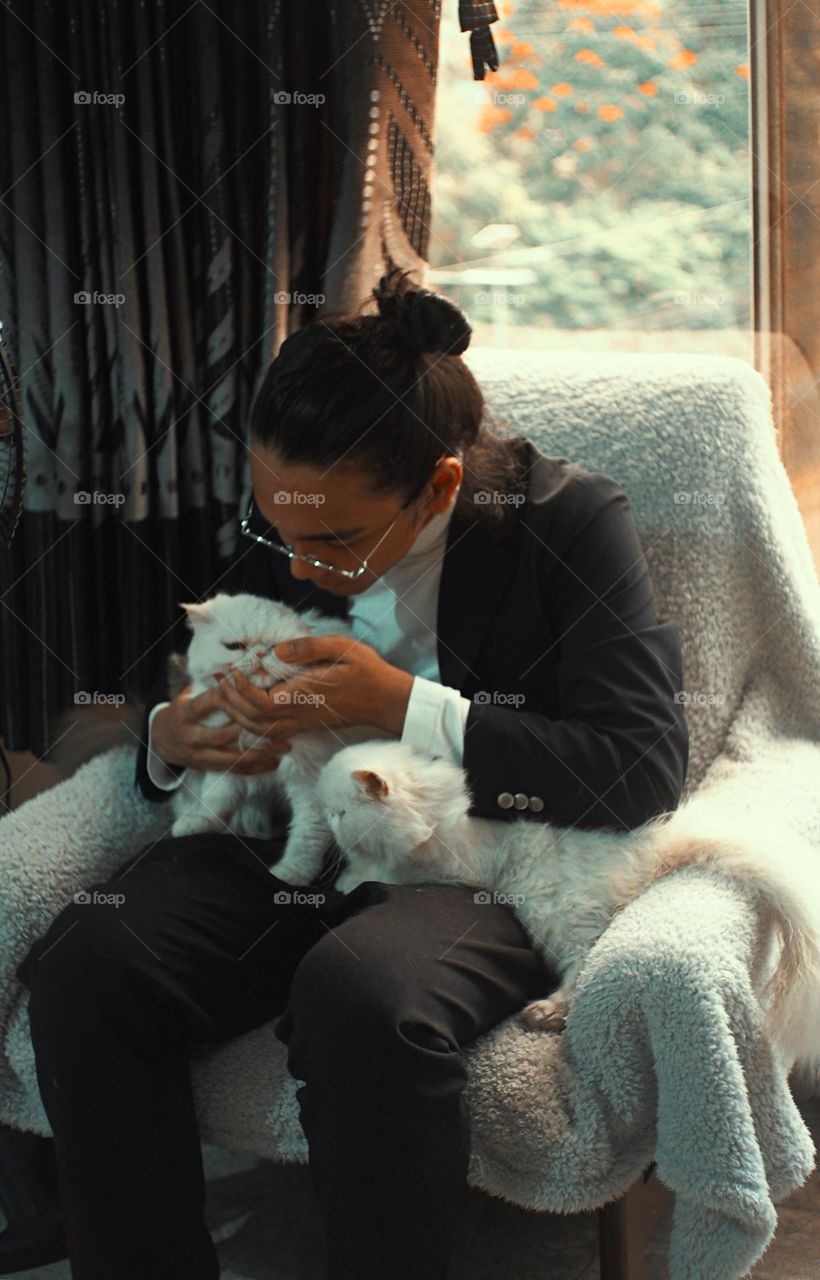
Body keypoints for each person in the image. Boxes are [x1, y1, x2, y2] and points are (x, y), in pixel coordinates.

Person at [14, 268, 689, 1280]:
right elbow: (178, 677)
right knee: (89, 964)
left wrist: (398, 702)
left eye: (329, 537)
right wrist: (171, 736)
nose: (292, 568)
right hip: (300, 832)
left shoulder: (568, 521)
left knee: (362, 995)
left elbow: (637, 765)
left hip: (483, 852)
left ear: (440, 486)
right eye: (272, 529)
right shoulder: (290, 535)